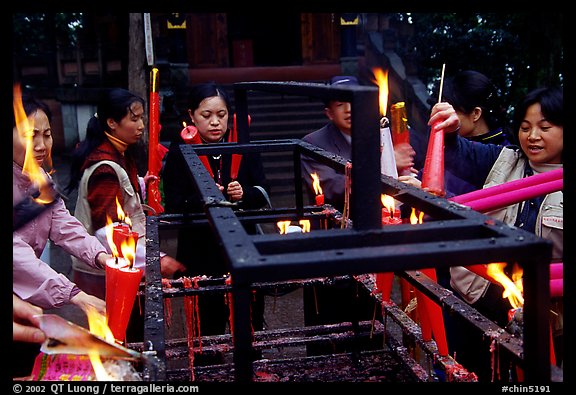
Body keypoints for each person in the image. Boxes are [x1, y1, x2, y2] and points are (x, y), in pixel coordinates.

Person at [428, 86, 563, 381]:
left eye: (545, 127)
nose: (533, 136)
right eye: (525, 127)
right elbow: (457, 151)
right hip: (484, 298)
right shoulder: (504, 160)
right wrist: (449, 129)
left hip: (549, 314)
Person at [65, 88, 186, 341]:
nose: (141, 125)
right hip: (104, 273)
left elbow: (119, 195)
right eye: (134, 118)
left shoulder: (116, 153)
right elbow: (106, 229)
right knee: (121, 338)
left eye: (142, 118)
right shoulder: (105, 168)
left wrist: (139, 184)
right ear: (112, 122)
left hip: (116, 267)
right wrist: (157, 259)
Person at [162, 83, 270, 348]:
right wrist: (203, 199)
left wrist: (242, 193)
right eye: (206, 115)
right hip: (201, 248)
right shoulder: (179, 152)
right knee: (206, 323)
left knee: (248, 314)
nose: (214, 123)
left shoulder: (243, 146)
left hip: (243, 244)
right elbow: (173, 203)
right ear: (192, 115)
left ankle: (252, 361)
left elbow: (264, 192)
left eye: (221, 115)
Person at [13, 93, 109, 377]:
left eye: (47, 135)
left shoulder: (40, 178)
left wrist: (101, 255)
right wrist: (74, 295)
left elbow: (62, 224)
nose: (41, 145)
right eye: (31, 136)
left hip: (29, 301)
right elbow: (15, 254)